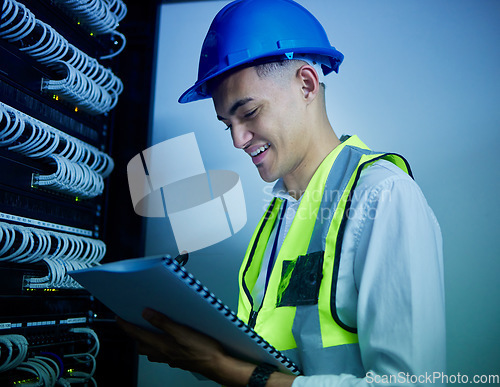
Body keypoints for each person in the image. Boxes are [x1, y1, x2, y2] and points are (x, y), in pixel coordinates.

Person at [118, 0, 446, 386]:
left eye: (250, 112)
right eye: (228, 125)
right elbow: (272, 350)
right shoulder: (280, 210)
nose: (239, 140)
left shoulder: (383, 196)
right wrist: (193, 351)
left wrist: (224, 369)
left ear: (307, 84)